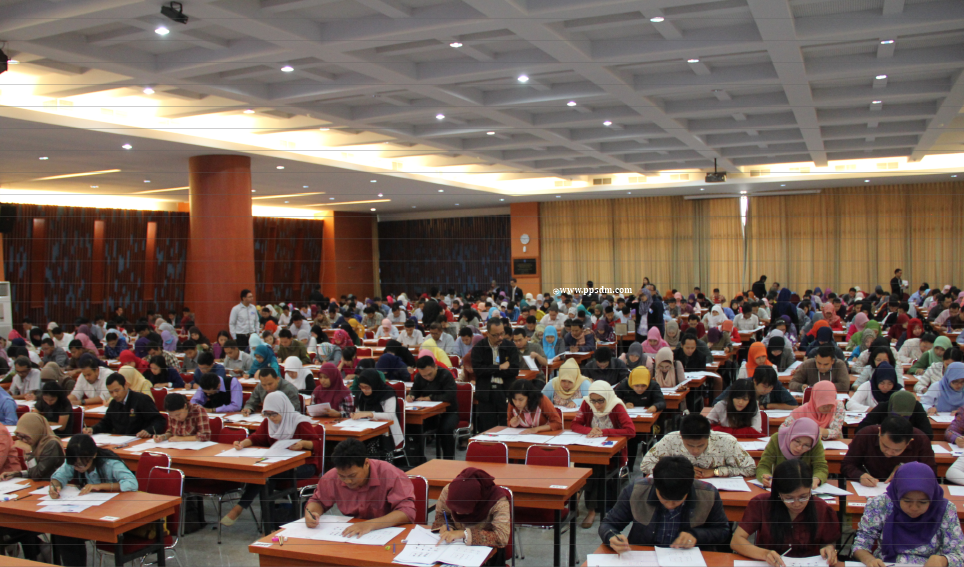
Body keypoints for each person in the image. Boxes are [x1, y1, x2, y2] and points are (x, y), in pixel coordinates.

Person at [599, 455, 730, 550]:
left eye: (677, 501)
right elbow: (608, 523)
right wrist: (611, 536)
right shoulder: (637, 490)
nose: (669, 505)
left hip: (688, 558)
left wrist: (696, 535)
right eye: (665, 499)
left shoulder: (708, 494)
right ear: (655, 485)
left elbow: (723, 531)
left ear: (689, 488)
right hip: (645, 557)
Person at [49, 434, 138, 567]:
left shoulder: (109, 463)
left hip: (115, 513)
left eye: (81, 464)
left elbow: (132, 484)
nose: (77, 468)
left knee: (70, 532)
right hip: (90, 511)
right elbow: (59, 476)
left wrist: (101, 486)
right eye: (74, 464)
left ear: (94, 455)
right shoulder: (74, 461)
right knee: (64, 531)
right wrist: (55, 486)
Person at [853, 462, 964, 567]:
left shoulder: (944, 509)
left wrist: (942, 560)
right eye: (907, 501)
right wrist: (869, 560)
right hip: (886, 563)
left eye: (923, 502)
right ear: (897, 493)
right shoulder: (881, 504)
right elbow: (861, 543)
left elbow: (959, 554)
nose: (914, 508)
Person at [733, 459, 840, 566]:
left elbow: (828, 543)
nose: (797, 504)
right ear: (779, 493)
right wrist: (764, 554)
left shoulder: (821, 508)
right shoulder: (761, 504)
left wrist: (829, 549)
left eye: (803, 497)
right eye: (789, 498)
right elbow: (736, 541)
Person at [304, 438, 415, 537]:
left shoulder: (390, 474)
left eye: (352, 475)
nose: (347, 481)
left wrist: (370, 525)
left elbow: (406, 512)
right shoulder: (332, 477)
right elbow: (318, 501)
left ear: (366, 463)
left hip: (388, 532)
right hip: (354, 534)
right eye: (342, 476)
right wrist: (312, 513)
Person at [572, 380, 636, 528]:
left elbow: (630, 431)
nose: (597, 405)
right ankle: (577, 497)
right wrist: (589, 430)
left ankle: (591, 509)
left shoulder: (616, 406)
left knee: (597, 467)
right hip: (591, 447)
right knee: (582, 462)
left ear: (607, 397)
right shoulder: (587, 403)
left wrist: (604, 432)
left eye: (600, 401)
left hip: (613, 452)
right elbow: (575, 424)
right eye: (594, 401)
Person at [430, 467, 511, 566]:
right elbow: (441, 515)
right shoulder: (449, 492)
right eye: (454, 509)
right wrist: (446, 526)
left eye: (464, 510)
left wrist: (464, 534)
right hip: (453, 548)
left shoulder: (498, 500)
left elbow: (501, 537)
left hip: (488, 554)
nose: (457, 513)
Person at [639, 413, 756, 477]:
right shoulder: (670, 440)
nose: (695, 451)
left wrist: (716, 472)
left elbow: (750, 468)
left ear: (709, 436)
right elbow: (645, 465)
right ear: (681, 437)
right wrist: (680, 471)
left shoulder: (726, 442)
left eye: (700, 446)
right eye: (690, 445)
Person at [842, 416, 937, 484]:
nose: (889, 453)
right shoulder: (866, 435)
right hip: (869, 488)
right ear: (880, 433)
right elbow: (847, 465)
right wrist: (859, 475)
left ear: (909, 442)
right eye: (885, 446)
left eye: (897, 450)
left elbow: (931, 473)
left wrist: (907, 470)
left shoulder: (921, 440)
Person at [471, 319, 519, 432]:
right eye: (496, 335)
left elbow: (514, 370)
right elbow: (478, 370)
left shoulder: (510, 346)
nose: (500, 337)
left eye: (502, 333)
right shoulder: (479, 348)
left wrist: (489, 369)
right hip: (486, 392)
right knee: (488, 427)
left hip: (505, 390)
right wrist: (499, 367)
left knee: (506, 425)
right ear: (488, 333)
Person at [84, 373, 165, 438]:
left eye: (117, 390)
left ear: (125, 385)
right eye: (111, 392)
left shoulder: (141, 399)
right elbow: (106, 423)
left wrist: (148, 431)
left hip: (140, 440)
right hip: (121, 441)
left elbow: (159, 420)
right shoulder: (113, 403)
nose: (115, 395)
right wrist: (93, 429)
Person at [757, 418, 828, 488]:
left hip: (803, 487)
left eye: (806, 445)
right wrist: (765, 476)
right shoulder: (776, 439)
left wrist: (816, 479)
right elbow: (763, 466)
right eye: (797, 441)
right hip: (780, 486)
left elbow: (821, 467)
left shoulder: (815, 443)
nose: (799, 448)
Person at [353, 369, 403, 457]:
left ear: (374, 383)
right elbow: (358, 413)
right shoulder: (360, 394)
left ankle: (374, 465)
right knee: (352, 445)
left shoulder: (387, 393)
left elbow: (390, 415)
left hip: (386, 432)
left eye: (367, 387)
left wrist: (370, 414)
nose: (364, 390)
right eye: (361, 387)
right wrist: (355, 416)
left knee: (371, 447)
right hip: (365, 431)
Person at [856, 390, 933, 438]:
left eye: (906, 416)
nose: (901, 419)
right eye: (897, 415)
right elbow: (860, 430)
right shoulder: (883, 407)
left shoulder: (917, 408)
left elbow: (928, 435)